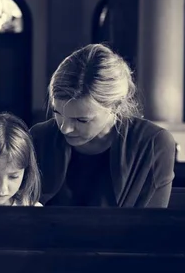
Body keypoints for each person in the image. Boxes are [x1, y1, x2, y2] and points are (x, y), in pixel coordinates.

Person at [30, 43, 176, 208]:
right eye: (58, 113)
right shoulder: (39, 137)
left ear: (116, 106)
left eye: (81, 120)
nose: (65, 128)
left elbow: (151, 225)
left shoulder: (153, 143)